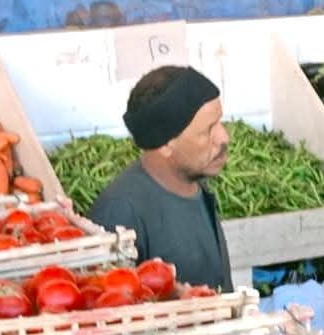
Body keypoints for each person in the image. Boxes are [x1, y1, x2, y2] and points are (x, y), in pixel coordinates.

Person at [87, 65, 233, 291]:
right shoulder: (120, 214)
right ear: (165, 145)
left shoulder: (194, 184)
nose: (224, 137)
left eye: (220, 122)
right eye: (208, 130)